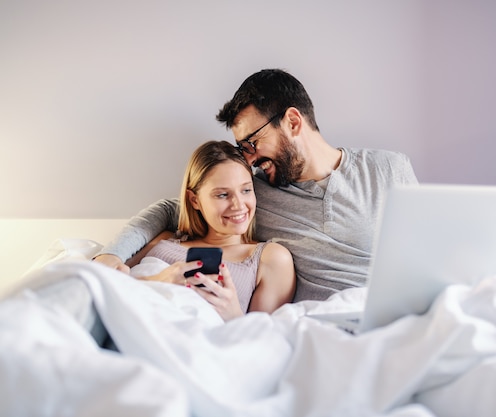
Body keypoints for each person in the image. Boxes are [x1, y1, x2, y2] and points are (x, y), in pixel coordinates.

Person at [94, 69, 418, 302]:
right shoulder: (250, 195)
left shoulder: (389, 168)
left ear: (292, 122)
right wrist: (111, 254)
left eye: (252, 142)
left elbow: (426, 253)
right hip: (319, 326)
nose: (248, 158)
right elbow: (169, 209)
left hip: (393, 314)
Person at [128, 140, 295, 321]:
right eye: (223, 195)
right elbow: (107, 281)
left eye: (246, 190)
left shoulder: (271, 258)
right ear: (195, 200)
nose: (239, 205)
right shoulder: (165, 239)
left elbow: (265, 341)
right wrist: (158, 282)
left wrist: (233, 315)